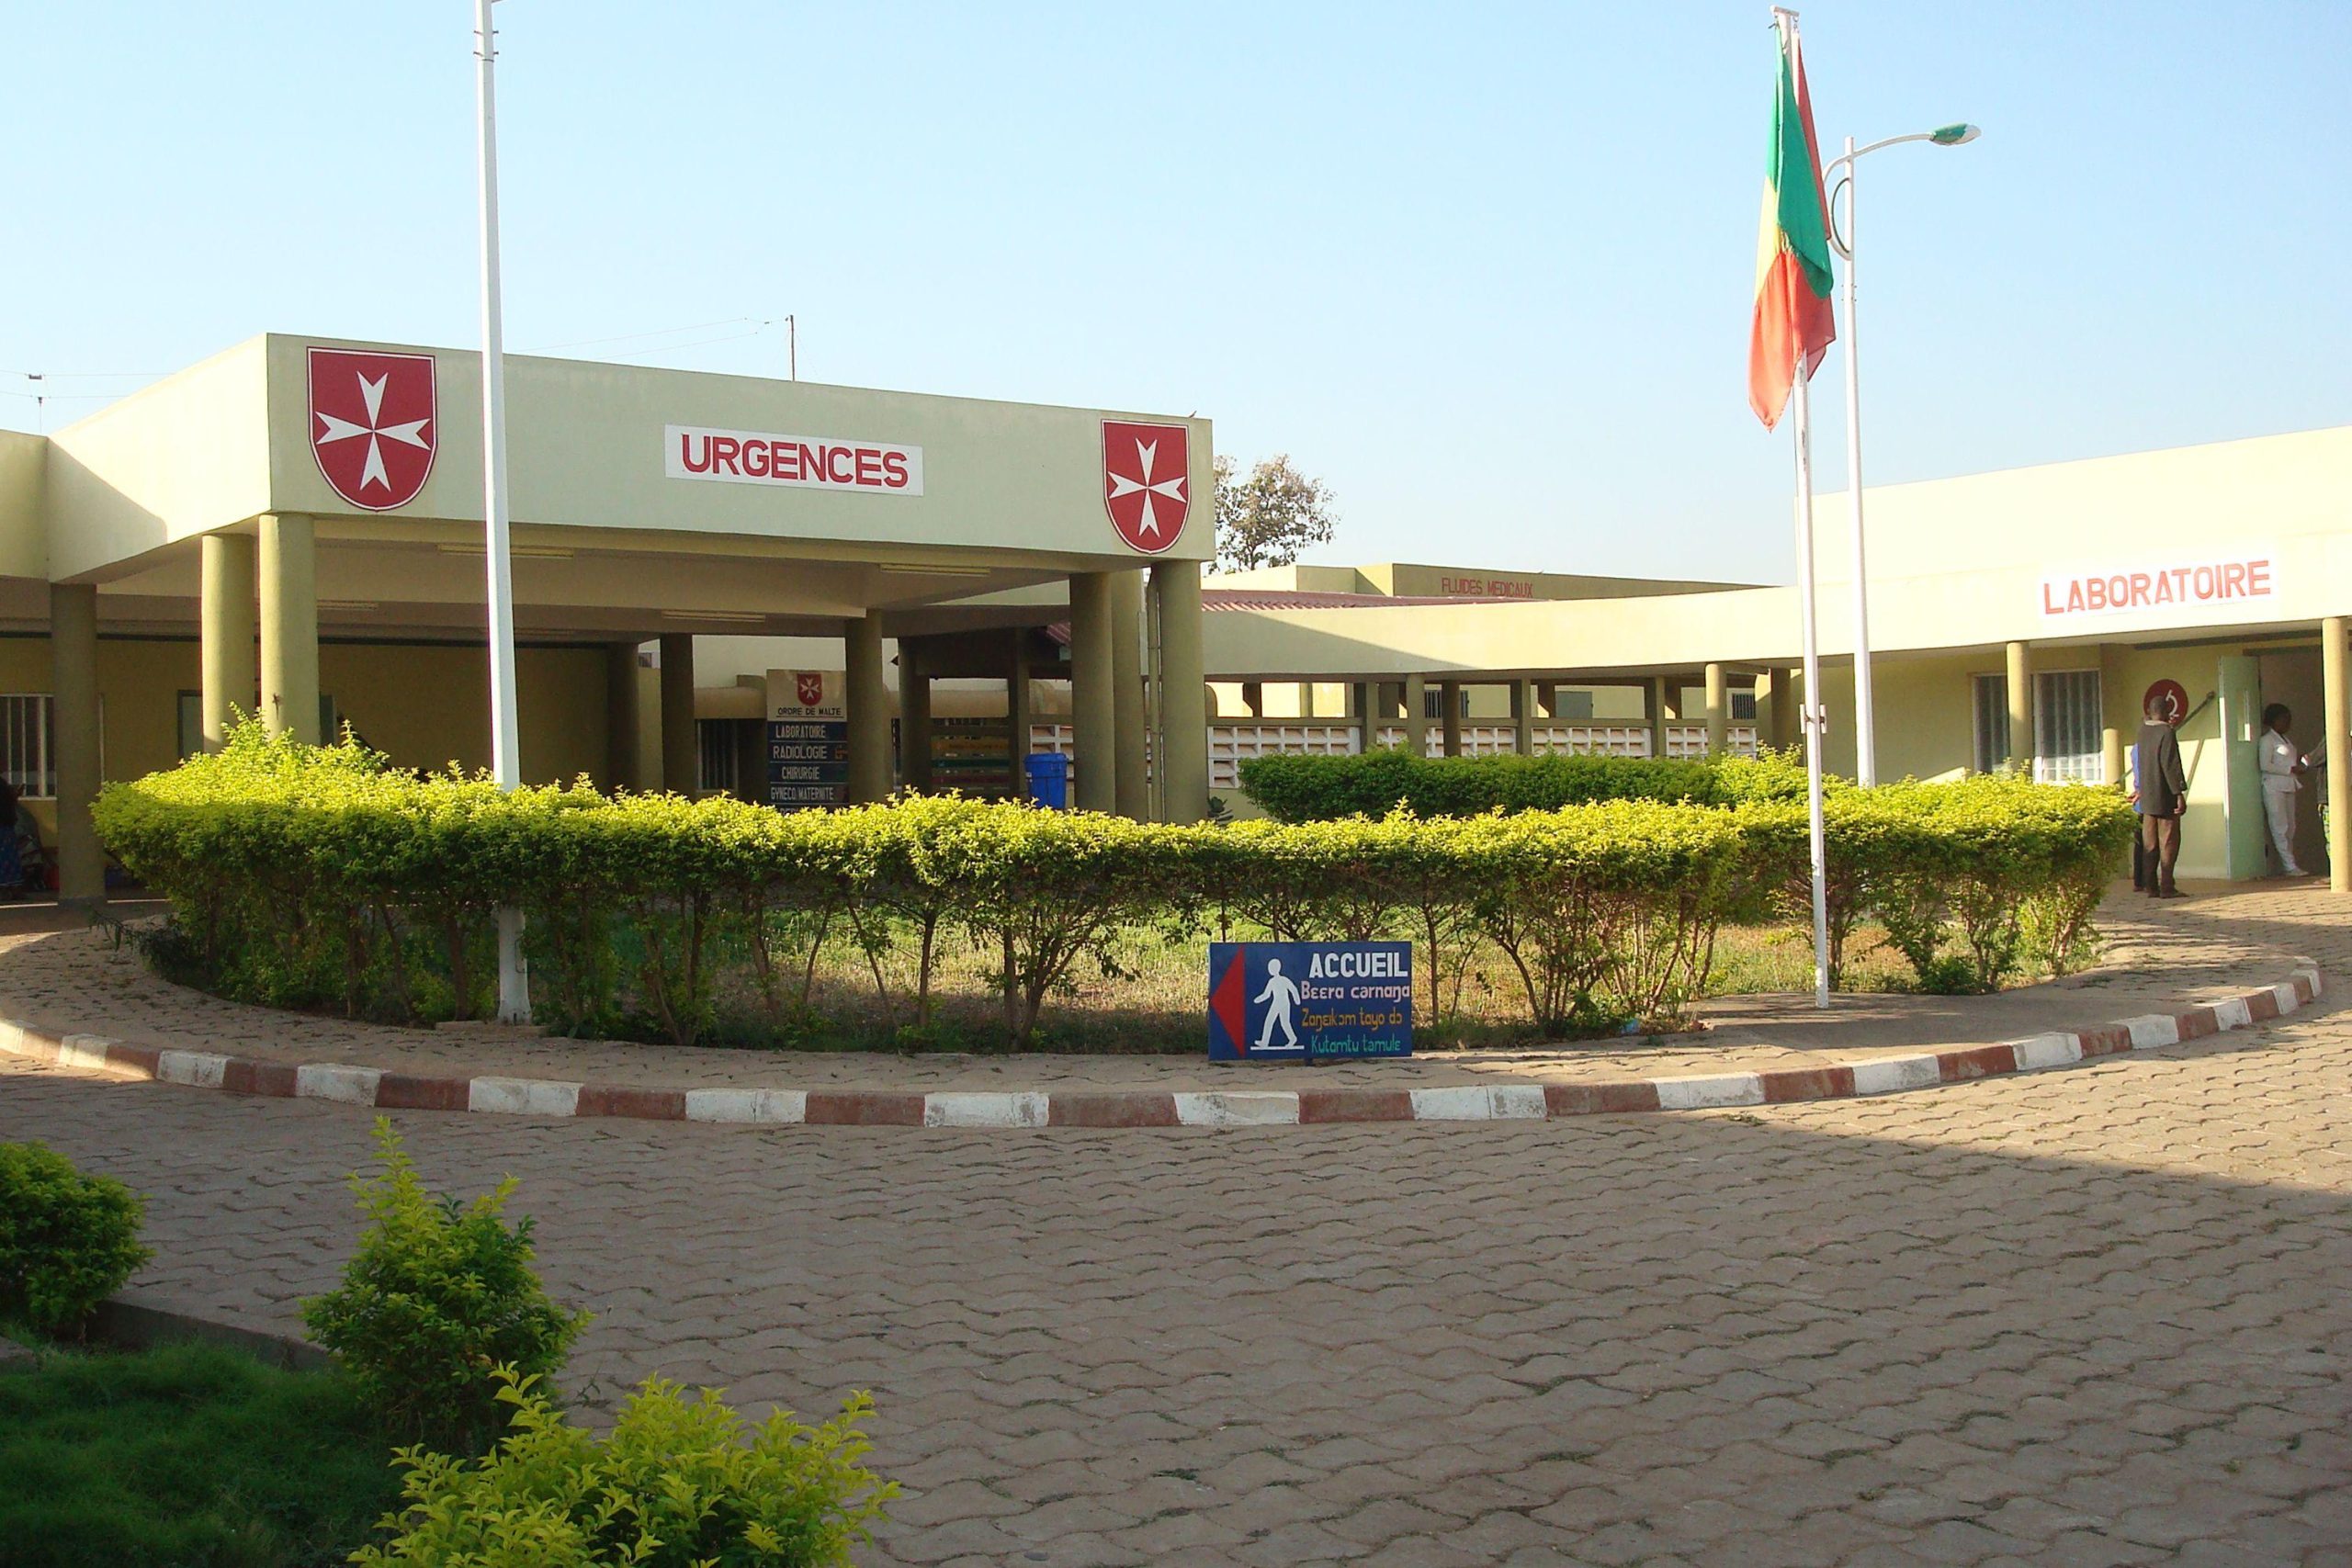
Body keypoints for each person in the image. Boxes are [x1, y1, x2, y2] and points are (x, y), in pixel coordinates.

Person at [2136, 693, 2189, 898]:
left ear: (2150, 711)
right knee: (2168, 841)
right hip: (2165, 795)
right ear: (2167, 712)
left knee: (2150, 844)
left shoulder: (2142, 731)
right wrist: (2179, 793)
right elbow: (2171, 765)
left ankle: (2151, 887)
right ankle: (2167, 886)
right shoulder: (2167, 732)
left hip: (2147, 796)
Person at [2258, 703, 2307, 876]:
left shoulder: (2286, 740)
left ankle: (2290, 862)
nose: (2287, 723)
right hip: (2274, 785)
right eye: (2284, 719)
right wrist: (2290, 769)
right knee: (2280, 826)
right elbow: (2265, 765)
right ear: (2274, 720)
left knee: (2291, 826)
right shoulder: (2267, 740)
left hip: (2288, 784)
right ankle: (2289, 865)